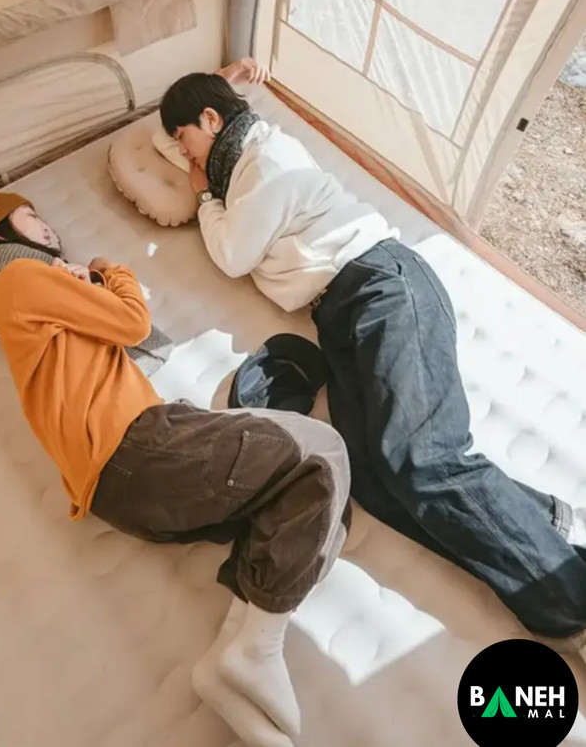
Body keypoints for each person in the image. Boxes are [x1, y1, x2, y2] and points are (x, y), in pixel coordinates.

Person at [159, 61, 586, 660]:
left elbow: (233, 254)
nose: (184, 156)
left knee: (421, 457)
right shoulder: (243, 163)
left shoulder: (264, 160)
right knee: (372, 478)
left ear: (210, 119)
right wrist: (224, 81)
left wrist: (204, 193)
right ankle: (548, 521)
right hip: (344, 313)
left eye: (183, 139)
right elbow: (191, 160)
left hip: (381, 285)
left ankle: (572, 601)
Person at [0, 190, 353, 747]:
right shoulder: (17, 279)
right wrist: (108, 270)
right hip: (135, 447)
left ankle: (235, 651)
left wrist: (83, 285)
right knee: (322, 454)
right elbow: (133, 322)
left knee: (306, 502)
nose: (44, 224)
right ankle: (258, 646)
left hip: (129, 488)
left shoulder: (28, 300)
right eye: (29, 215)